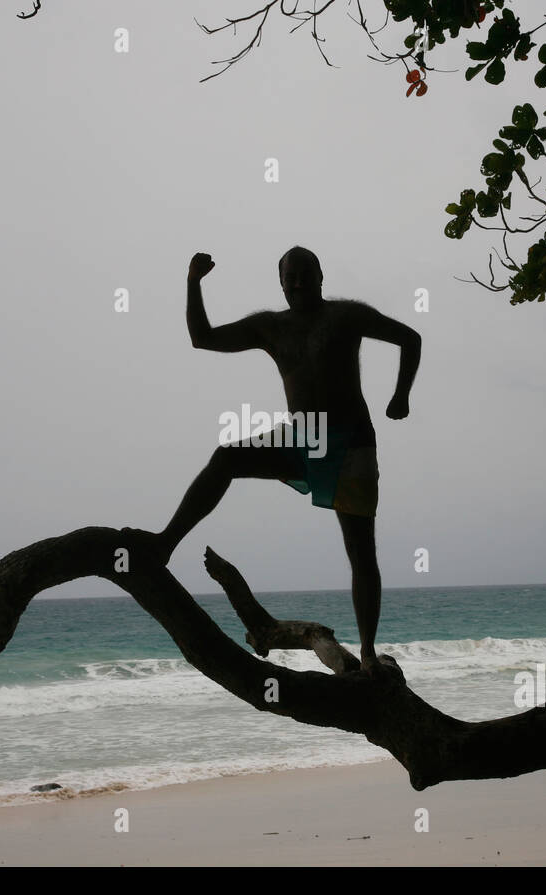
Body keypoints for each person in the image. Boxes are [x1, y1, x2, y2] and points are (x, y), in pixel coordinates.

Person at [139, 246, 420, 676]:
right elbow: (204, 338)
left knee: (361, 552)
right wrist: (193, 283)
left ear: (322, 276)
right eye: (291, 277)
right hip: (302, 440)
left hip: (351, 447)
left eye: (307, 274)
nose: (300, 283)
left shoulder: (346, 316)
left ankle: (366, 654)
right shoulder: (270, 327)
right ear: (281, 283)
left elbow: (410, 338)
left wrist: (400, 395)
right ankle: (165, 543)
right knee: (226, 457)